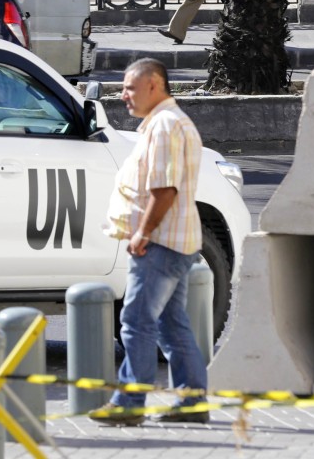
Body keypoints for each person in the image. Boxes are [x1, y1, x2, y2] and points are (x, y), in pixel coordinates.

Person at [92, 58, 207, 427]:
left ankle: (130, 402)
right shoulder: (164, 124)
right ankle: (192, 403)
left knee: (136, 320)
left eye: (129, 87)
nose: (122, 94)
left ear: (154, 85)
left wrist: (142, 232)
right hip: (172, 240)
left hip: (160, 241)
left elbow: (164, 189)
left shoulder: (165, 126)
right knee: (171, 326)